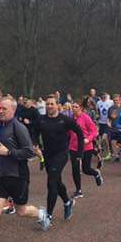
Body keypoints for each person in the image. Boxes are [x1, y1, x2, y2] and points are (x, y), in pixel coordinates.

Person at [0, 96, 47, 241]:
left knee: (21, 211)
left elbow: (29, 152)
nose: (0, 111)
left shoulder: (19, 127)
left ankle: (41, 214)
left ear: (13, 110)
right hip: (1, 175)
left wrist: (8, 152)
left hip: (18, 174)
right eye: (0, 108)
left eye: (4, 109)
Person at [32, 94, 84, 229]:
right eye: (47, 104)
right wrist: (35, 143)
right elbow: (34, 132)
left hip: (61, 155)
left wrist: (79, 152)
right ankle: (67, 202)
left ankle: (48, 216)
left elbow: (79, 132)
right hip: (48, 155)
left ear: (57, 106)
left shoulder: (65, 120)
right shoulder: (41, 119)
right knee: (57, 182)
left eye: (52, 104)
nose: (49, 106)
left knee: (51, 182)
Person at [69, 100, 102, 197]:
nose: (73, 108)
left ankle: (96, 173)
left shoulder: (85, 118)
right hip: (73, 147)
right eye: (72, 107)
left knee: (86, 169)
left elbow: (94, 131)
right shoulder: (70, 119)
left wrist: (88, 139)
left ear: (81, 108)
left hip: (86, 147)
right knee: (75, 169)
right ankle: (78, 190)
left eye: (76, 107)